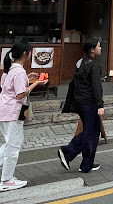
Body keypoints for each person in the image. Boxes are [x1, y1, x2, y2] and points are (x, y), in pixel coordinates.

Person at [0, 42, 48, 191]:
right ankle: (6, 180)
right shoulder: (18, 71)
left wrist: (28, 77)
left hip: (5, 109)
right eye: (30, 53)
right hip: (13, 111)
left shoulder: (10, 68)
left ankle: (7, 176)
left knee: (11, 142)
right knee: (13, 146)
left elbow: (7, 86)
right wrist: (36, 83)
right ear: (25, 54)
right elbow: (20, 93)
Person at [58, 38, 104, 173]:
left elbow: (74, 84)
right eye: (98, 46)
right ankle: (67, 152)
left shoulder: (80, 63)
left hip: (79, 102)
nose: (100, 48)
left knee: (91, 132)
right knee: (91, 133)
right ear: (92, 50)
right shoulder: (94, 66)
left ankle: (87, 164)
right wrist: (100, 104)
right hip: (90, 103)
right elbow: (96, 87)